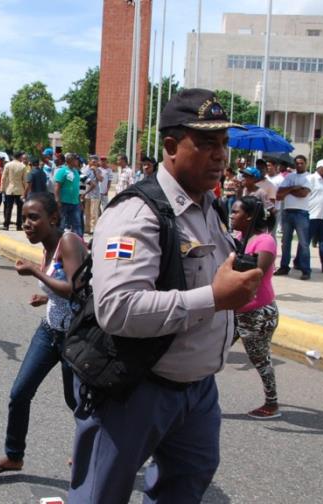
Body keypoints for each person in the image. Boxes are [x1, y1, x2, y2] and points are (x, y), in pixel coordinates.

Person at [69, 88, 262, 503]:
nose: (221, 155)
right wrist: (214, 298)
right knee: (98, 497)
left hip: (198, 391)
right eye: (207, 143)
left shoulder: (210, 207)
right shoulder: (136, 214)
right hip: (136, 388)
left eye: (224, 143)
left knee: (184, 490)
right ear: (171, 147)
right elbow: (117, 309)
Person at [0, 192, 85, 476]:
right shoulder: (46, 245)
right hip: (49, 331)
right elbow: (62, 287)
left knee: (76, 401)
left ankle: (91, 451)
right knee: (20, 393)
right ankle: (14, 456)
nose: (26, 224)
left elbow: (75, 288)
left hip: (74, 337)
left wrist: (35, 274)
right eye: (25, 218)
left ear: (53, 218)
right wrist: (46, 297)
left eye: (34, 217)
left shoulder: (68, 242)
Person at [230, 196, 281, 418]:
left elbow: (255, 275)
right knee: (213, 351)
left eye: (236, 212)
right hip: (235, 310)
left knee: (260, 359)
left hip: (257, 312)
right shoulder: (239, 237)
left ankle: (272, 404)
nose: (232, 215)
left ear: (249, 216)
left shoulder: (264, 241)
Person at [275, 155, 313, 280]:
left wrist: (288, 191)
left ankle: (305, 270)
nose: (299, 165)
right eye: (297, 163)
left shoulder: (309, 177)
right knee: (285, 242)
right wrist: (293, 187)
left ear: (306, 164)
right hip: (287, 212)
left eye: (302, 163)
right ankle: (284, 266)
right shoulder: (290, 177)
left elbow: (303, 193)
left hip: (301, 213)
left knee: (303, 243)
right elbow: (279, 194)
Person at [54, 153, 83, 237]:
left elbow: (76, 188)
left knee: (77, 224)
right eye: (76, 160)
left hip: (75, 202)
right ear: (71, 160)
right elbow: (57, 186)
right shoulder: (62, 171)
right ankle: (59, 240)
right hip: (64, 202)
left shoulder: (76, 171)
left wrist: (79, 201)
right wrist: (57, 200)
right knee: (62, 224)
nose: (77, 161)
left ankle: (79, 241)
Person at [0, 151, 28, 230]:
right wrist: (26, 191)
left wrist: (2, 188)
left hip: (10, 189)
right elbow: (25, 180)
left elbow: (3, 178)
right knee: (20, 208)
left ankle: (6, 225)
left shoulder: (8, 165)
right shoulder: (23, 166)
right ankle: (19, 226)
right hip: (20, 189)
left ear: (13, 157)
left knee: (8, 208)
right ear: (20, 157)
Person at [80, 157, 101, 234]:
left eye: (96, 162)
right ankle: (87, 228)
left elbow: (100, 179)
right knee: (87, 213)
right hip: (86, 194)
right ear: (89, 161)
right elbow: (81, 181)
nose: (94, 163)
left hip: (95, 195)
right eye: (93, 161)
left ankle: (93, 229)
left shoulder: (98, 170)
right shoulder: (84, 169)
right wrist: (82, 193)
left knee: (94, 213)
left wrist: (95, 171)